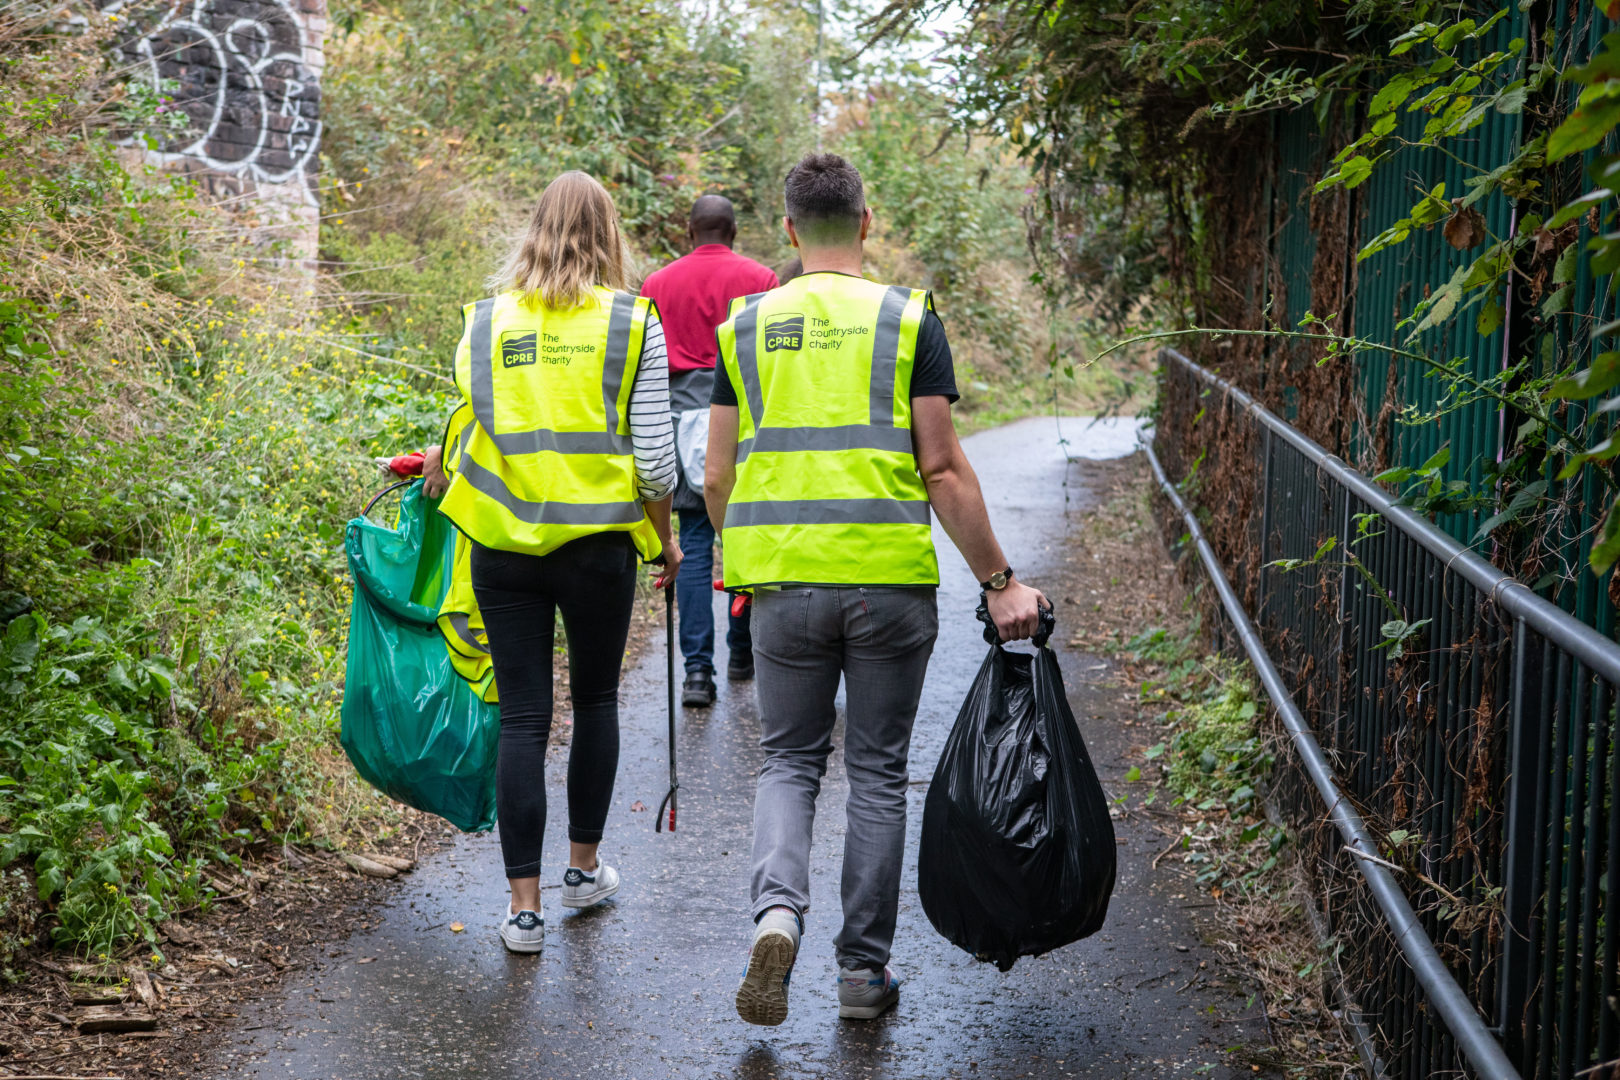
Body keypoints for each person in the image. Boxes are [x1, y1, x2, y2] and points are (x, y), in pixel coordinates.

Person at [706, 153, 1046, 1026]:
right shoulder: (907, 318)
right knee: (878, 773)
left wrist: (742, 551)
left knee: (789, 760)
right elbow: (940, 466)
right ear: (865, 223)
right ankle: (862, 975)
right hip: (888, 582)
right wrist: (999, 582)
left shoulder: (744, 323)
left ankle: (777, 914)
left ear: (786, 230)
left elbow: (714, 475)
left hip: (783, 580)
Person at [422, 171, 681, 954]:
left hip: (503, 546)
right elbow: (658, 465)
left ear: (533, 229)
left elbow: (470, 428)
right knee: (596, 701)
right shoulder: (634, 320)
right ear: (610, 235)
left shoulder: (482, 321)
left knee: (526, 717)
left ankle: (523, 912)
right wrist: (665, 536)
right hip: (600, 544)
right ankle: (583, 869)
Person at [640, 195, 778, 708]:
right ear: (734, 231)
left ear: (689, 231)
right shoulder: (762, 281)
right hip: (738, 419)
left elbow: (645, 364)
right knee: (747, 535)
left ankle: (698, 674)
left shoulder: (656, 284)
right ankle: (742, 653)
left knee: (694, 547)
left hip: (677, 418)